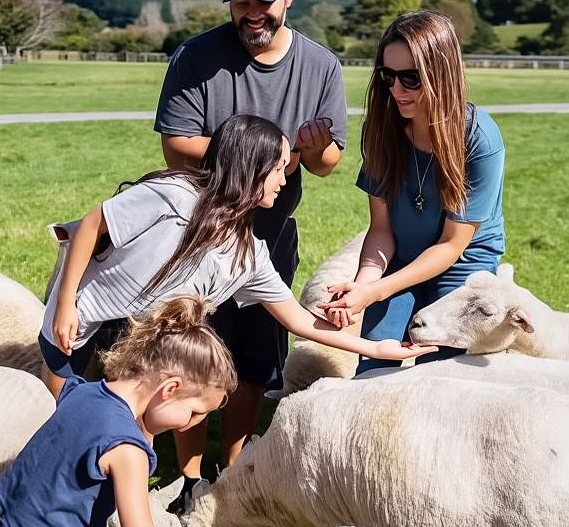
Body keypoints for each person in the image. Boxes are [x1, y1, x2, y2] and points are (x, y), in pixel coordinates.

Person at [41, 114, 428, 398]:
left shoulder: (248, 255)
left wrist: (376, 348)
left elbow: (297, 320)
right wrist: (64, 306)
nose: (283, 179)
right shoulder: (174, 195)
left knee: (122, 421)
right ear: (250, 170)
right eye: (278, 168)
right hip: (80, 319)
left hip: (142, 340)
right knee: (56, 412)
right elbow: (93, 224)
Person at [155, 0, 348, 490]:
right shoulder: (196, 57)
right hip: (199, 230)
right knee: (192, 350)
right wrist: (263, 153)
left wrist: (312, 150)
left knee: (256, 361)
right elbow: (176, 145)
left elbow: (330, 163)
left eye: (264, 1)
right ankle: (189, 476)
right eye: (241, 2)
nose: (253, 13)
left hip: (271, 231)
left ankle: (233, 470)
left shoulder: (320, 66)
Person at [0, 296, 230, 527]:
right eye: (195, 413)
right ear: (170, 388)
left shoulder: (85, 391)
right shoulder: (127, 450)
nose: (190, 424)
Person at [318, 9, 506, 373]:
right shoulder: (384, 130)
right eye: (388, 76)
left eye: (411, 79)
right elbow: (382, 230)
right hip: (400, 257)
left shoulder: (480, 139)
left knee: (441, 374)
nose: (396, 90)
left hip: (462, 264)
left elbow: (452, 245)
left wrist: (377, 291)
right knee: (375, 364)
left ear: (442, 75)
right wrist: (363, 287)